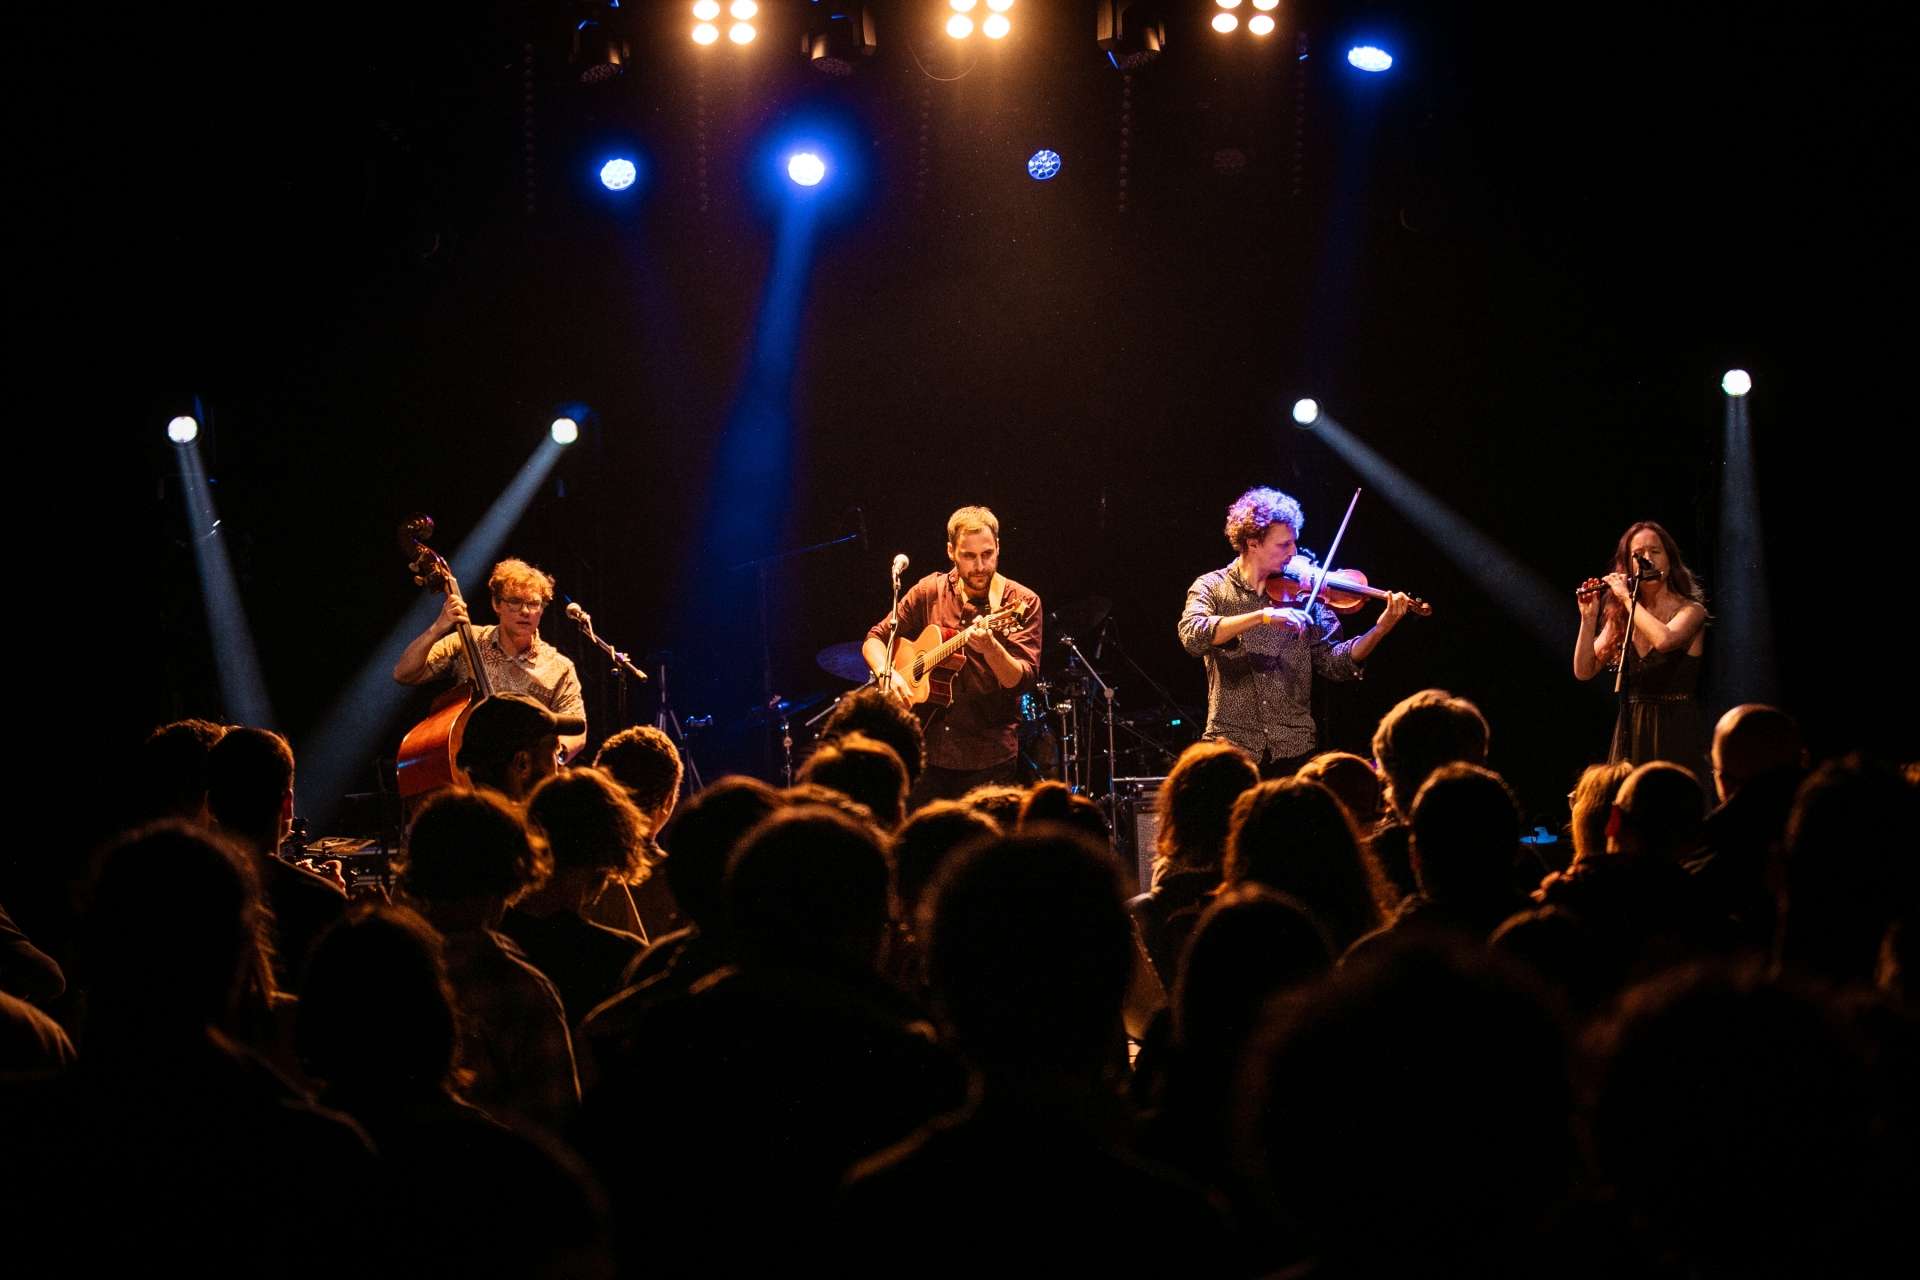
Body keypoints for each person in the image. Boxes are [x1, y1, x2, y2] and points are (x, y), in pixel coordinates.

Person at [1178, 486, 1410, 776]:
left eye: (1294, 543)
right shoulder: (1213, 587)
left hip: (1294, 747)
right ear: (1252, 543)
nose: (1294, 552)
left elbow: (1335, 662)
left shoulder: (1305, 593)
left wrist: (1380, 629)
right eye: (1283, 545)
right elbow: (1193, 635)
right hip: (1232, 750)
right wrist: (1262, 616)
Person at [862, 506, 1042, 806]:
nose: (980, 566)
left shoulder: (1020, 602)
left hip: (988, 757)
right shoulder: (929, 591)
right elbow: (875, 639)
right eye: (969, 557)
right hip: (927, 754)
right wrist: (887, 673)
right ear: (951, 551)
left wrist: (991, 648)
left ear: (998, 547)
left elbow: (1020, 681)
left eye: (987, 554)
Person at [394, 557, 587, 761]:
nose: (525, 611)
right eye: (514, 601)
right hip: (469, 764)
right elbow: (404, 674)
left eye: (533, 604)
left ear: (542, 609)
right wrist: (438, 628)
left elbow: (576, 728)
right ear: (496, 604)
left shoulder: (559, 666)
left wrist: (556, 758)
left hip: (527, 775)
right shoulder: (465, 641)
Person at [1573, 520, 1709, 770]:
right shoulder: (1622, 616)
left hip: (1675, 729)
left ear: (1670, 559)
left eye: (1655, 552)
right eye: (1638, 554)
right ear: (1627, 565)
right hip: (1630, 732)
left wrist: (1625, 597)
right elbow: (1584, 670)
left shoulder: (1692, 610)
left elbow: (1665, 640)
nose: (1647, 558)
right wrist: (1588, 618)